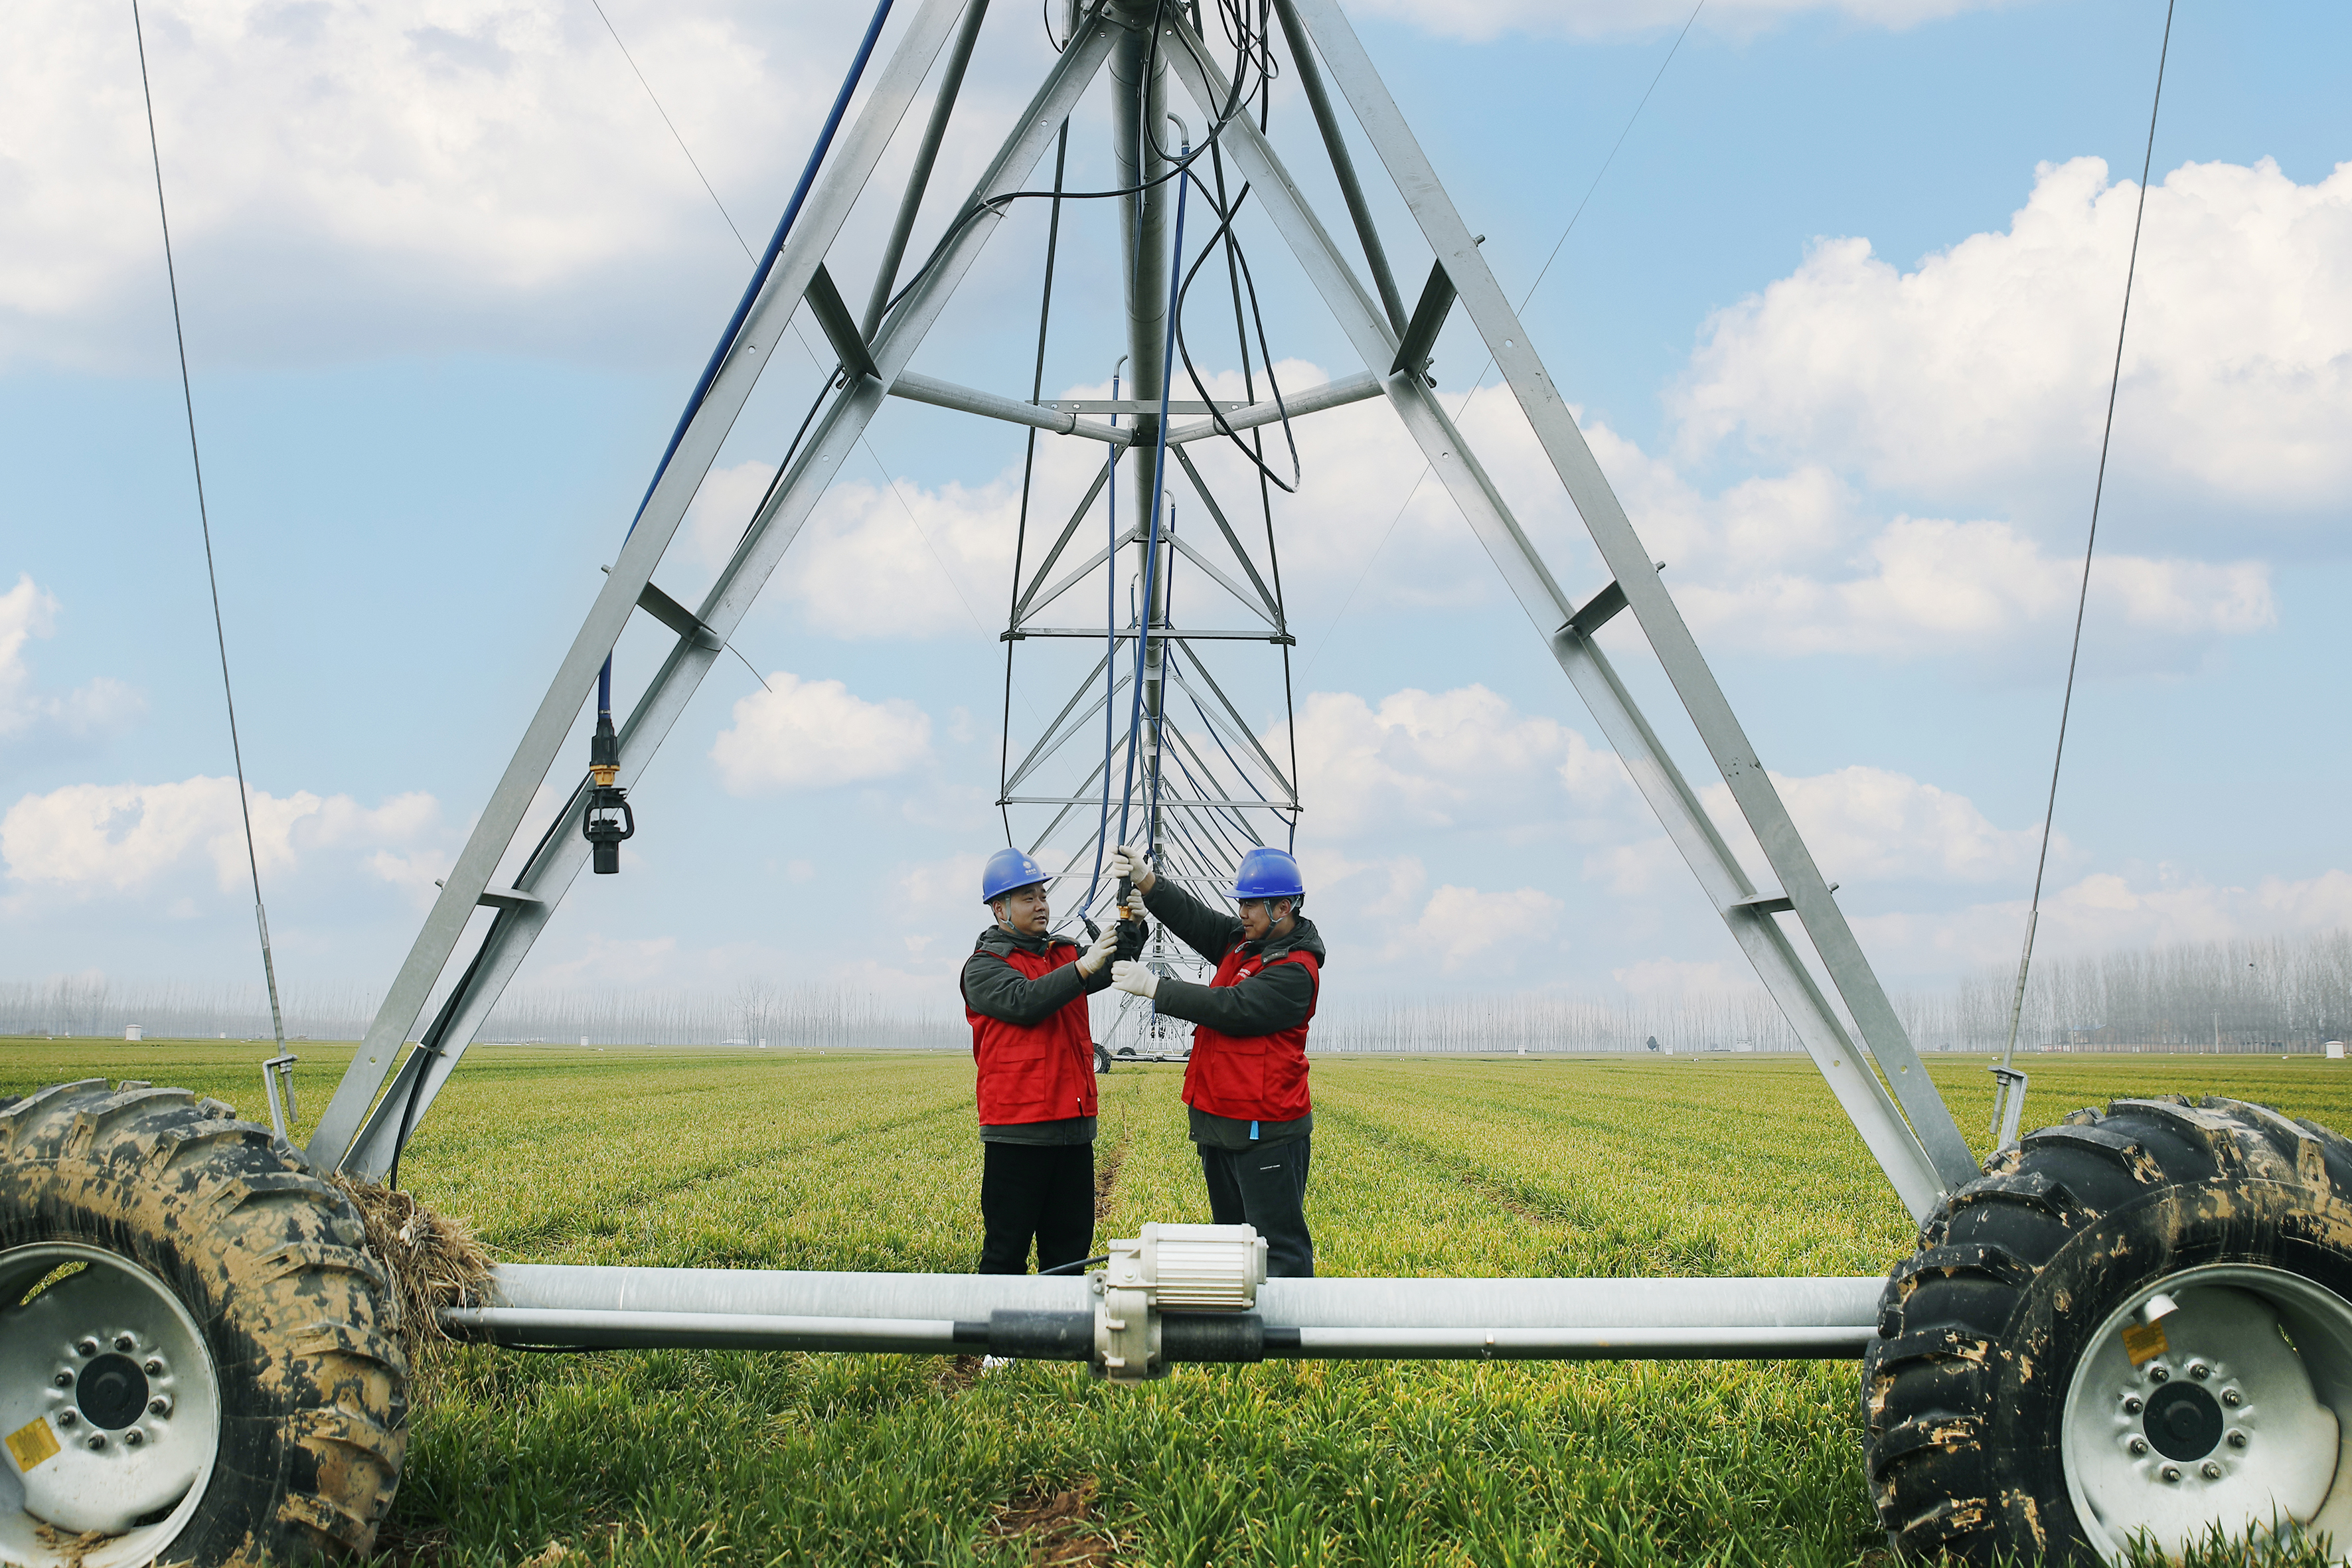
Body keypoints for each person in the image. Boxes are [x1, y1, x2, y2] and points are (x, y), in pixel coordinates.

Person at [1103, 842, 1324, 1277]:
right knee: (1234, 1246)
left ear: (1284, 907)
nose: (1242, 912)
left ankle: (1293, 1336)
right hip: (1221, 1125)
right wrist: (1148, 882)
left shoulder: (1295, 970)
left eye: (1252, 904)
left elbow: (1232, 1008)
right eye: (1239, 902)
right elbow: (1195, 919)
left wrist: (1156, 988)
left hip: (1266, 1131)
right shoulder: (1242, 943)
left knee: (1277, 1252)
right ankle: (1243, 1340)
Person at [960, 848, 1120, 1276]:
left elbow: (1113, 966)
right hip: (1018, 1134)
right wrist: (1083, 968)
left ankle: (1060, 1341)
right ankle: (999, 1345)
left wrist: (1133, 924)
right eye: (1027, 897)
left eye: (1042, 895)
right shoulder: (984, 968)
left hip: (1073, 1128)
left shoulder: (1064, 955)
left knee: (1070, 1253)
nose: (1041, 904)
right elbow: (1026, 1001)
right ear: (1000, 910)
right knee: (1006, 1250)